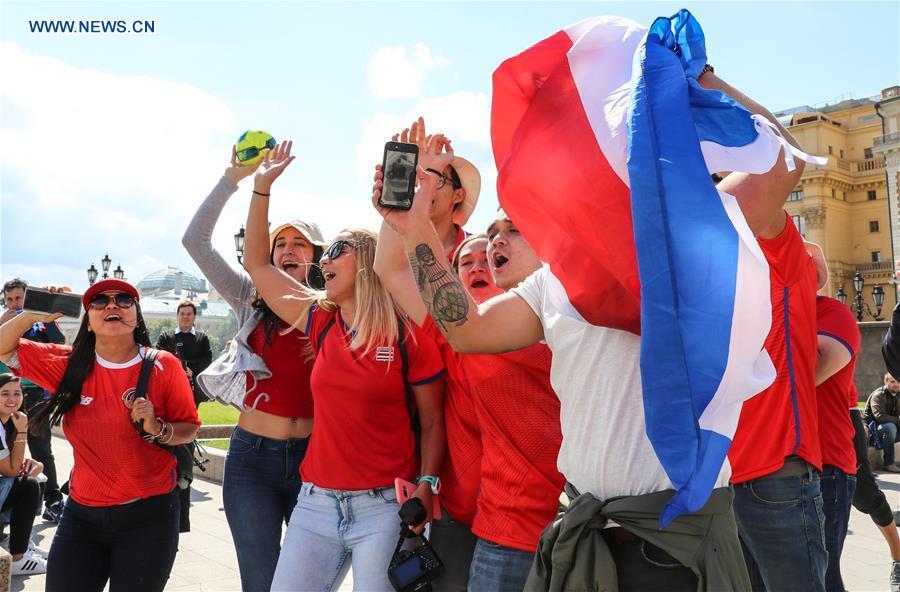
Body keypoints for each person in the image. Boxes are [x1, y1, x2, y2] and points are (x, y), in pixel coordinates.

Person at [372, 64, 793, 592]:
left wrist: (701, 77)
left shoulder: (692, 236)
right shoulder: (553, 282)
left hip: (677, 543)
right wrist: (412, 225)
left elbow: (781, 163)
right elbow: (468, 328)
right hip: (582, 538)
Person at [241, 140, 445, 592]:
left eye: (338, 250)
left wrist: (427, 484)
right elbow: (256, 262)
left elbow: (432, 422)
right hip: (313, 505)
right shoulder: (320, 322)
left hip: (383, 509)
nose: (324, 260)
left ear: (369, 264)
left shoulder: (407, 335)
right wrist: (260, 190)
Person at [183, 148, 325, 592]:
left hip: (316, 459)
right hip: (251, 459)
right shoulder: (250, 297)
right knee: (261, 580)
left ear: (319, 255)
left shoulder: (339, 308)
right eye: (279, 242)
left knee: (309, 581)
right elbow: (195, 242)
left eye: (298, 242)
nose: (286, 249)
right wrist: (232, 179)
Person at [0, 279, 200, 592]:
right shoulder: (69, 364)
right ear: (89, 322)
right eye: (99, 301)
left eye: (123, 299)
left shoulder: (164, 365)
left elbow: (188, 428)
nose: (112, 305)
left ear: (136, 315)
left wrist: (158, 428)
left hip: (148, 517)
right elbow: (4, 347)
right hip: (81, 516)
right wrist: (32, 314)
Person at [374, 121, 485, 591]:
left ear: (458, 197)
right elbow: (388, 268)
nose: (421, 182)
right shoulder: (396, 257)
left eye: (434, 176)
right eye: (414, 173)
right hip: (402, 429)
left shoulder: (480, 261)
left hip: (464, 431)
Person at [1, 278, 66, 523]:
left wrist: (41, 316)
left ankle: (53, 499)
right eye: (9, 299)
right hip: (6, 396)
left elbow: (59, 344)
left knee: (41, 448)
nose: (14, 303)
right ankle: (8, 507)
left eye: (19, 298)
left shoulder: (40, 325)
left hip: (37, 395)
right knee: (5, 449)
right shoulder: (3, 325)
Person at [813, 292, 861, 592]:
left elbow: (800, 374)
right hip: (756, 468)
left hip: (826, 465)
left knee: (822, 575)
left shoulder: (832, 312)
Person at [849, 382, 900, 592]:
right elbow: (880, 417)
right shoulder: (880, 394)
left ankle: (898, 559)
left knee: (866, 494)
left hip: (837, 412)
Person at [0, 373, 46, 576]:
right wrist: (22, 432)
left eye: (17, 393)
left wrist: (28, 464)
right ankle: (18, 556)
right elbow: (9, 470)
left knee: (37, 476)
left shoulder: (7, 421)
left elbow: (10, 464)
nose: (12, 399)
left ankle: (18, 543)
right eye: (4, 394)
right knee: (29, 485)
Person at [156, 300, 212, 408]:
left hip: (193, 388)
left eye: (189, 314)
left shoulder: (202, 338)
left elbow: (207, 361)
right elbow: (159, 359)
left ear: (194, 317)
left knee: (190, 421)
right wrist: (178, 369)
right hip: (170, 388)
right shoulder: (165, 337)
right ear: (177, 316)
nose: (185, 317)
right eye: (182, 314)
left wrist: (192, 370)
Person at [864, 374, 900, 472]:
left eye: (898, 382)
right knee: (890, 427)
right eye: (893, 382)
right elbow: (880, 417)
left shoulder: (898, 395)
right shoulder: (879, 395)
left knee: (891, 427)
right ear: (886, 382)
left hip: (890, 431)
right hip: (873, 433)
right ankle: (889, 463)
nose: (896, 384)